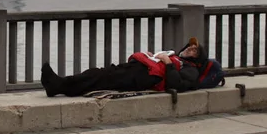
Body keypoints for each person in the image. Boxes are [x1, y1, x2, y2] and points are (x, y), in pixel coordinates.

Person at [40, 37, 209, 97]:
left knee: (102, 79)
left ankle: (58, 86)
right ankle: (60, 84)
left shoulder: (190, 69)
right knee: (99, 73)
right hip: (139, 68)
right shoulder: (174, 56)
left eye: (195, 50)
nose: (190, 48)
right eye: (190, 46)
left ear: (198, 60)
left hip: (146, 77)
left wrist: (168, 63)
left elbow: (177, 85)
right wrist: (153, 56)